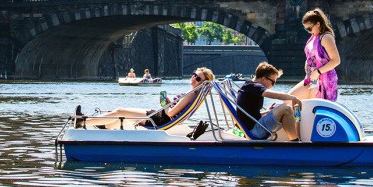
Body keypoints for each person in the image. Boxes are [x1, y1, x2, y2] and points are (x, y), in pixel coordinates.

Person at [78, 68, 215, 129]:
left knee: (120, 111)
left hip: (161, 120)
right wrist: (168, 103)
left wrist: (167, 105)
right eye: (193, 75)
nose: (193, 79)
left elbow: (171, 114)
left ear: (202, 83)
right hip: (161, 117)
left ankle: (82, 122)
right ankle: (105, 126)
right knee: (125, 115)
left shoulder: (191, 94)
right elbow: (174, 111)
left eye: (198, 78)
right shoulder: (195, 94)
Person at [236, 62, 302, 141]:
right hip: (254, 131)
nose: (273, 85)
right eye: (273, 82)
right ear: (263, 79)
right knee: (286, 108)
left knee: (282, 108)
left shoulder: (248, 86)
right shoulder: (255, 86)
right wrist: (294, 98)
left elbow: (248, 115)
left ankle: (294, 140)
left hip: (253, 127)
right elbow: (278, 96)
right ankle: (296, 142)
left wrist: (267, 111)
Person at [289, 8, 341, 102]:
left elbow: (336, 60)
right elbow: (311, 56)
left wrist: (318, 72)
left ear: (318, 24)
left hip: (323, 80)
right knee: (289, 100)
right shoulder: (313, 37)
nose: (308, 31)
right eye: (306, 29)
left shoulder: (326, 37)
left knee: (313, 107)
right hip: (310, 78)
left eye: (309, 28)